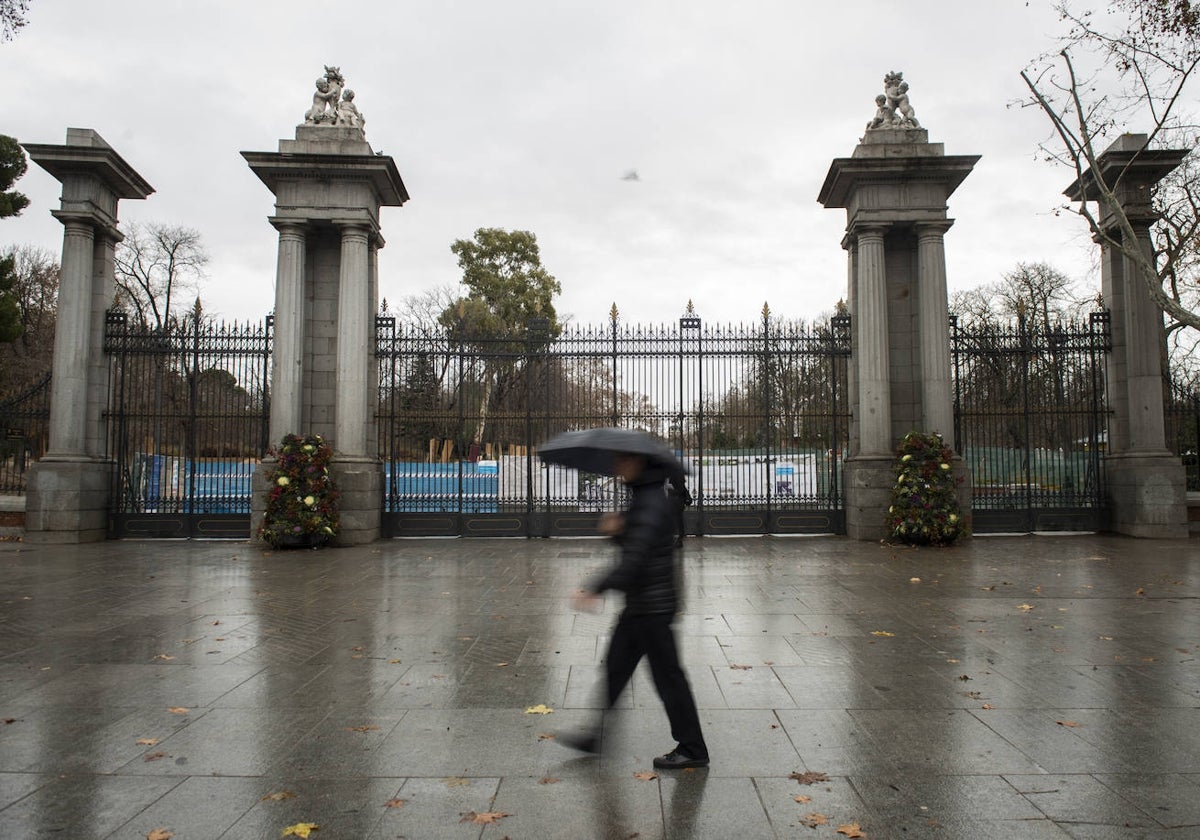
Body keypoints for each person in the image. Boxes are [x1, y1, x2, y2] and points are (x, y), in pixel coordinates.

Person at [562, 452, 710, 769]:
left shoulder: (650, 502)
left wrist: (595, 588)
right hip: (641, 606)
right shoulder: (645, 498)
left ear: (639, 465)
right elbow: (639, 547)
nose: (618, 467)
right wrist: (618, 532)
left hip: (653, 609)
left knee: (669, 680)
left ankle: (693, 748)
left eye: (623, 462)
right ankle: (594, 735)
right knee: (615, 670)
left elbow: (636, 560)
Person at [667, 472, 692, 548]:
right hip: (678, 504)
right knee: (678, 521)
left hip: (676, 504)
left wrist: (670, 489)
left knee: (676, 521)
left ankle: (678, 539)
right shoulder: (680, 482)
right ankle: (678, 539)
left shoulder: (675, 482)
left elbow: (679, 492)